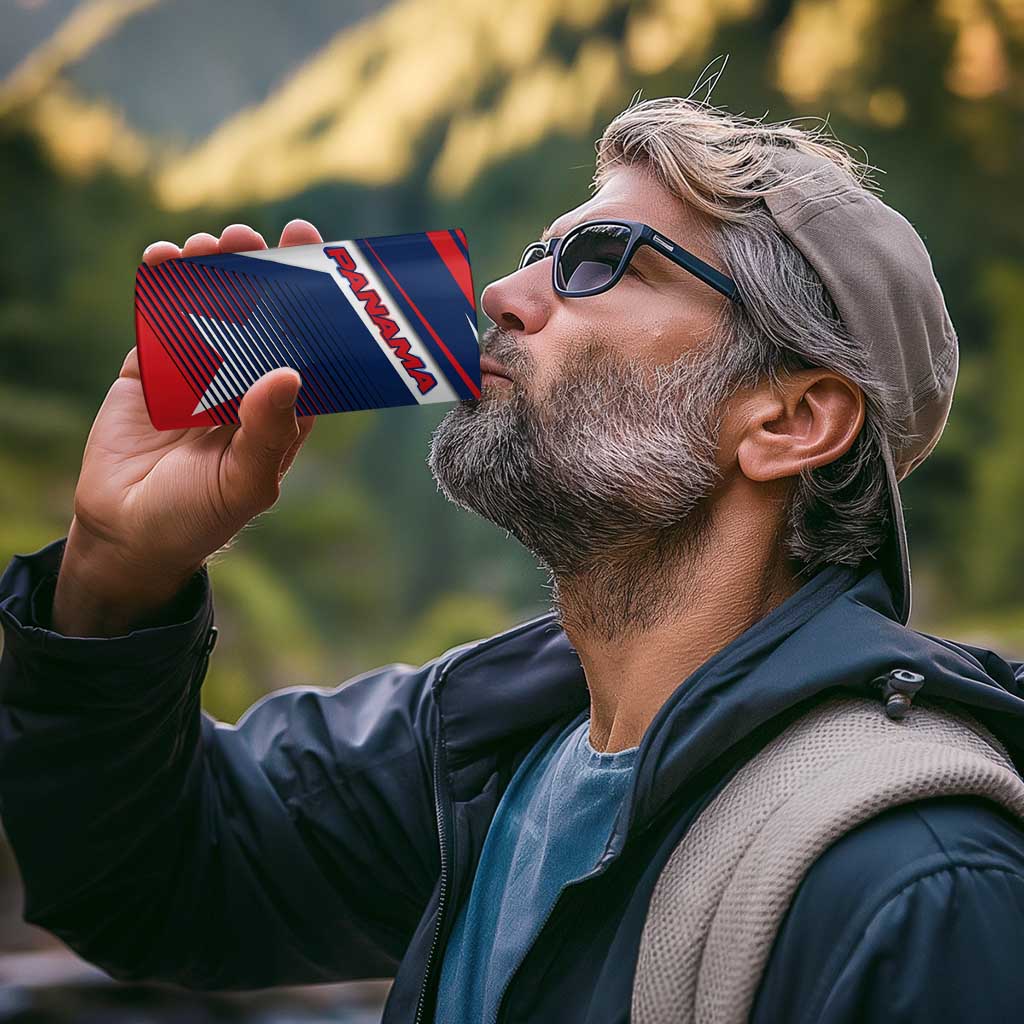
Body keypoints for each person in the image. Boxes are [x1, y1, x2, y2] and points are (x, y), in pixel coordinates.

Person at [2, 95, 1024, 1024]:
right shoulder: (478, 749)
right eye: (541, 252)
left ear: (790, 419)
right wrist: (116, 571)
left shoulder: (918, 884)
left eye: (599, 261)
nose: (504, 291)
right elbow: (149, 880)